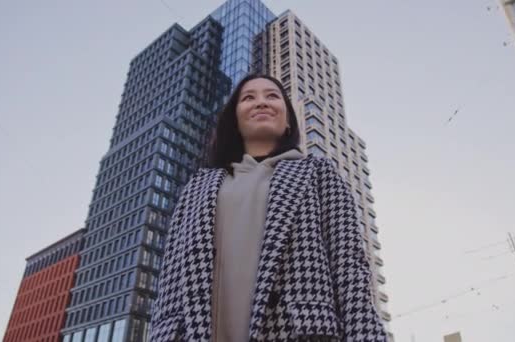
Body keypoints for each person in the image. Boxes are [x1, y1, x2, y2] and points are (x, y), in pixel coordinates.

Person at [148, 74, 388, 342]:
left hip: (301, 332)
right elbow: (170, 279)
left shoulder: (318, 173)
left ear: (287, 120)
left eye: (272, 96)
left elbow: (349, 264)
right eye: (249, 97)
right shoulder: (198, 186)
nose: (261, 102)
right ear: (235, 120)